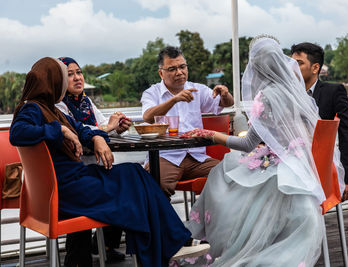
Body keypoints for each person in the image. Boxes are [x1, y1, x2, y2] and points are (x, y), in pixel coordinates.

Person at [9, 57, 210, 267]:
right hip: (67, 190)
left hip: (74, 182)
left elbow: (83, 130)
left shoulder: (53, 110)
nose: (65, 83)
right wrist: (59, 129)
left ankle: (172, 242)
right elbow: (17, 133)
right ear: (51, 82)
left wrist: (96, 138)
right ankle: (171, 244)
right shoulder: (31, 108)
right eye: (62, 78)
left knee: (137, 175)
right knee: (135, 186)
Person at [175, 35, 346, 266]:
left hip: (280, 168)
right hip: (306, 169)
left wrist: (211, 135)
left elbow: (247, 144)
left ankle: (217, 242)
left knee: (221, 174)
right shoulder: (297, 92)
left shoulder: (266, 96)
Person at [55, 56, 129, 263]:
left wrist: (118, 129)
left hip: (90, 167)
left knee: (123, 184)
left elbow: (104, 128)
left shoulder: (86, 102)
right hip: (73, 172)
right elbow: (84, 133)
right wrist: (108, 128)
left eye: (79, 72)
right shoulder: (58, 106)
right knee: (124, 186)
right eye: (69, 74)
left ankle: (103, 244)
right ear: (58, 80)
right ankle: (87, 252)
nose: (77, 78)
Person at [140, 46, 234, 197]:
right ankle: (166, 221)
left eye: (182, 67)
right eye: (172, 69)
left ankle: (209, 218)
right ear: (161, 73)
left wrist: (225, 94)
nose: (179, 72)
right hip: (166, 157)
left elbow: (227, 103)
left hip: (196, 157)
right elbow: (147, 117)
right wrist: (174, 100)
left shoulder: (197, 89)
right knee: (156, 184)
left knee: (228, 176)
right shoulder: (152, 93)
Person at [291, 42, 348, 201]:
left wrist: (347, 178)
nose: (292, 68)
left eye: (299, 64)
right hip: (291, 162)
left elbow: (347, 134)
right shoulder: (287, 94)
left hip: (321, 167)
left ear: (315, 68)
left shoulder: (334, 92)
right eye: (291, 63)